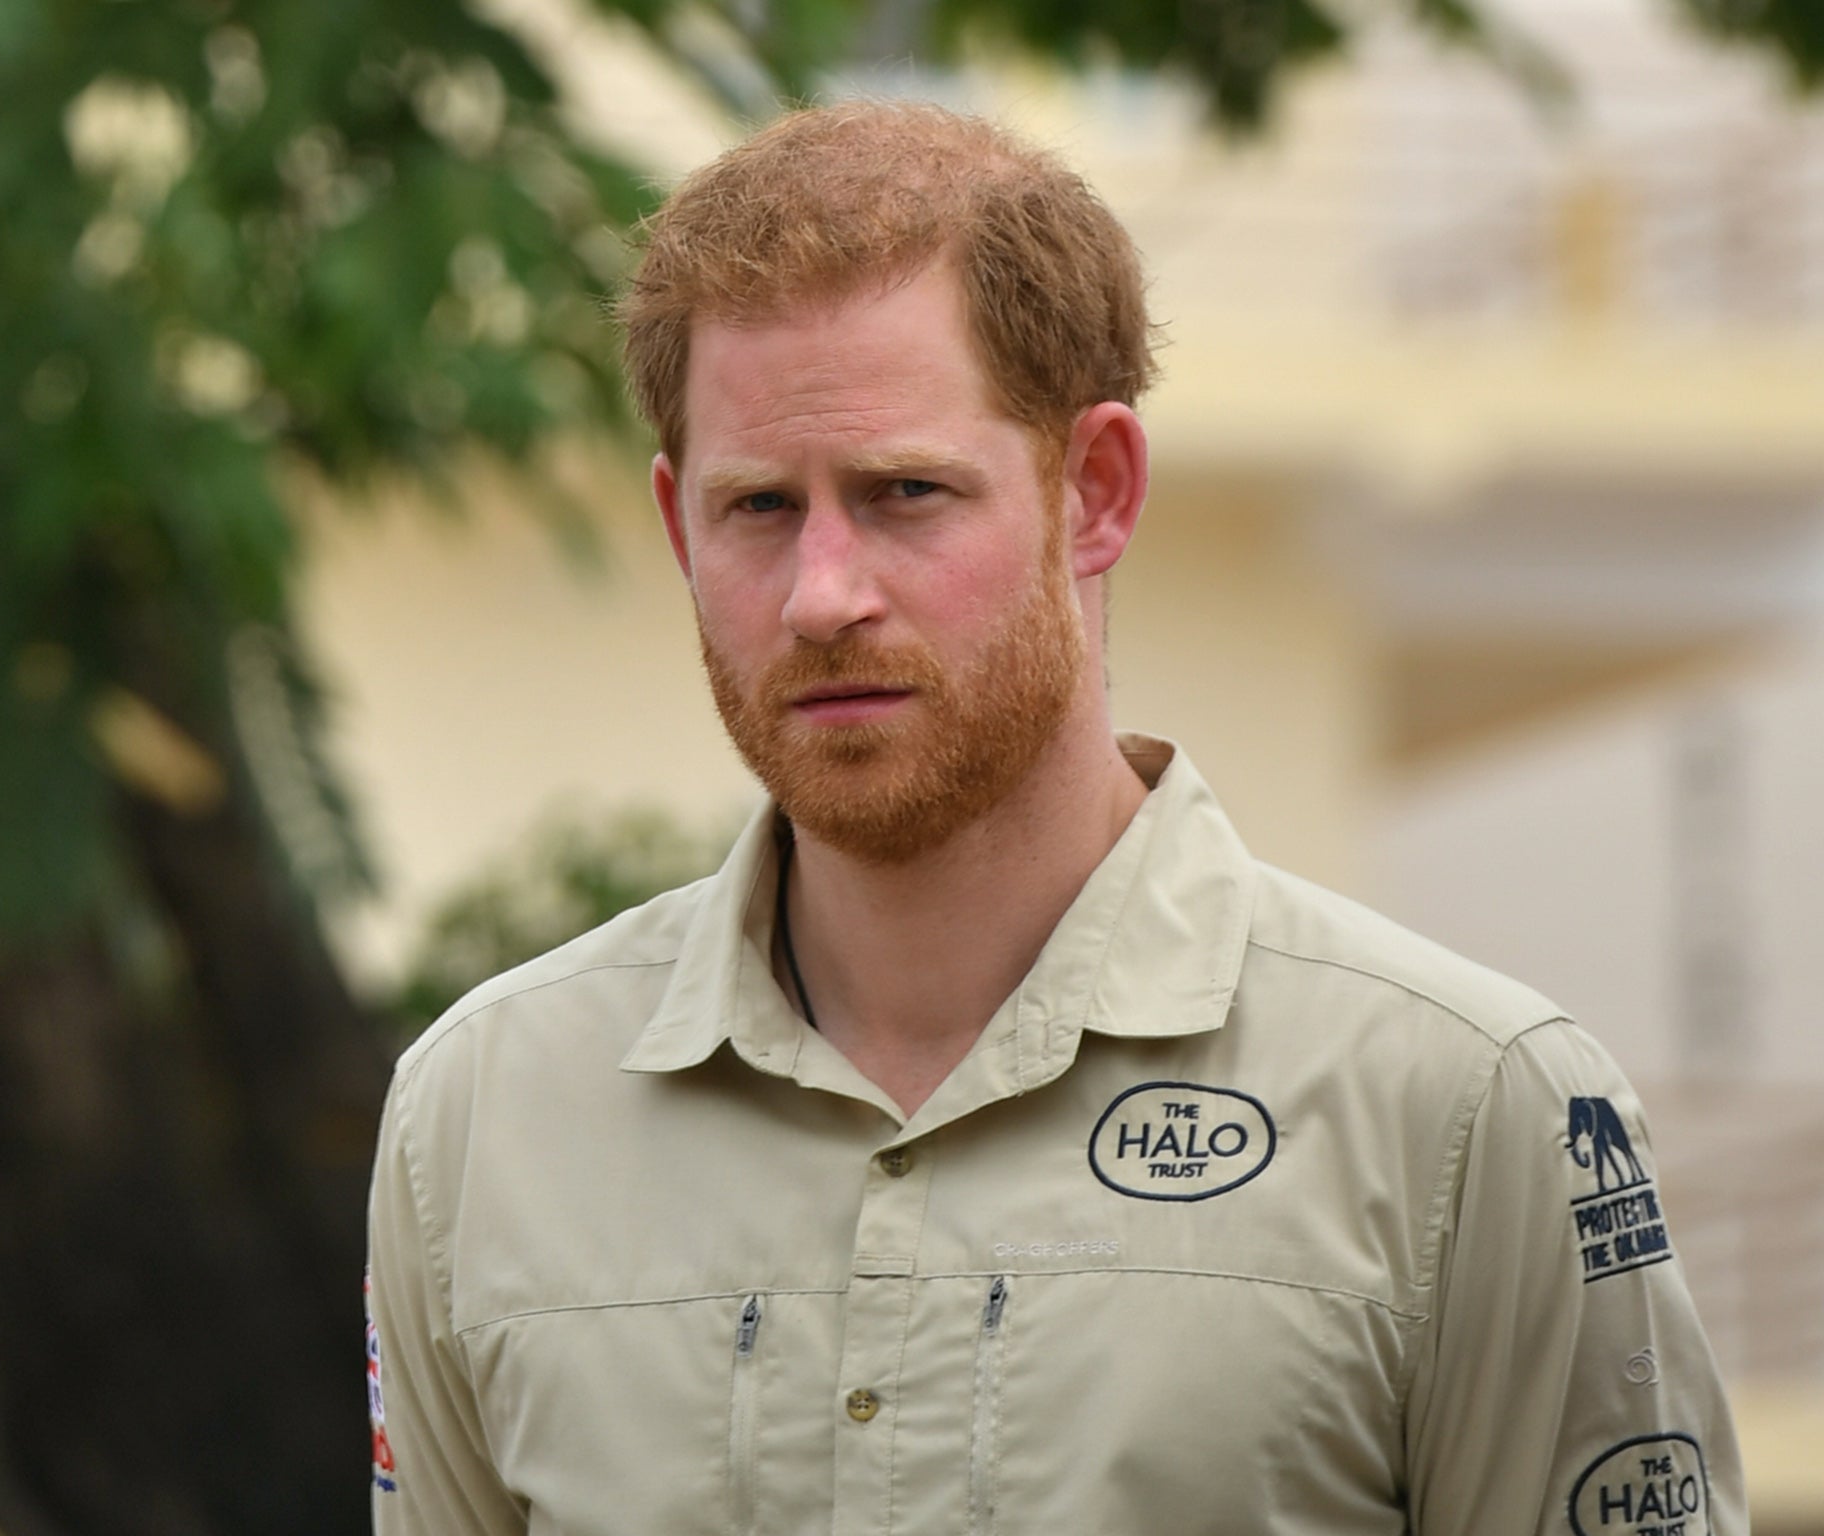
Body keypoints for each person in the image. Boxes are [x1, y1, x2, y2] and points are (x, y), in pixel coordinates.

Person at [365, 101, 1745, 1535]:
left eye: (906, 493)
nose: (822, 592)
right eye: (760, 507)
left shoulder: (1470, 1110)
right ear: (676, 527)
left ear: (1095, 491)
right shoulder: (479, 1119)